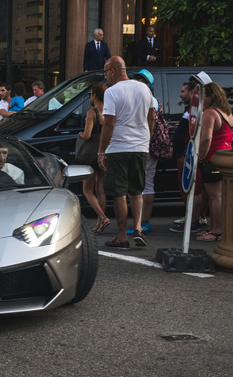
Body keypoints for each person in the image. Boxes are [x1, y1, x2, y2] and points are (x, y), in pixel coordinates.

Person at [97, 56, 155, 249]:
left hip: (118, 148)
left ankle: (122, 236)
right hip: (140, 147)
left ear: (113, 70)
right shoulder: (144, 88)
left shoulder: (112, 92)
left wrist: (101, 151)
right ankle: (138, 228)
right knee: (136, 191)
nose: (106, 78)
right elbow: (151, 117)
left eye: (106, 73)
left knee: (119, 193)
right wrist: (146, 138)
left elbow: (109, 123)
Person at [196, 82, 233, 242]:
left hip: (213, 157)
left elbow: (206, 138)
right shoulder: (228, 113)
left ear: (211, 96)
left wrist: (201, 157)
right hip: (227, 156)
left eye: (203, 95)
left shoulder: (210, 113)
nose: (201, 98)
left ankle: (217, 231)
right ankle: (214, 227)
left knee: (215, 197)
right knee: (219, 196)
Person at [169, 81, 207, 233]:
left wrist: (187, 153)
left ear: (192, 93)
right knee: (186, 187)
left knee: (193, 188)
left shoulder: (199, 109)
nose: (180, 94)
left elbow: (195, 133)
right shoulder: (190, 109)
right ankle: (191, 217)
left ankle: (194, 220)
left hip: (188, 154)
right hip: (183, 153)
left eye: (183, 91)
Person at [127, 69, 159, 235]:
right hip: (141, 145)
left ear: (148, 84)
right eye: (136, 78)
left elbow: (150, 122)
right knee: (140, 185)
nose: (137, 82)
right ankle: (141, 222)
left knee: (144, 185)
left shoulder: (150, 100)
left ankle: (143, 222)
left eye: (141, 79)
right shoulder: (143, 97)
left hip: (144, 147)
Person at [79, 82, 109, 233]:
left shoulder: (92, 113)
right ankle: (99, 224)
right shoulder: (109, 111)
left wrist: (80, 134)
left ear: (95, 95)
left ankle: (103, 218)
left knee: (87, 190)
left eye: (91, 94)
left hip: (91, 155)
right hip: (104, 152)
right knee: (100, 190)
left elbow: (87, 135)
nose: (90, 97)